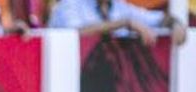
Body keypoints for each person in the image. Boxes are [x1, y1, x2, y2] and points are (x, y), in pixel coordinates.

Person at [48, 0, 187, 45]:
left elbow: (160, 18)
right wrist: (124, 23)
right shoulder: (70, 3)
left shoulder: (119, 6)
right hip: (64, 84)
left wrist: (176, 24)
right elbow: (76, 32)